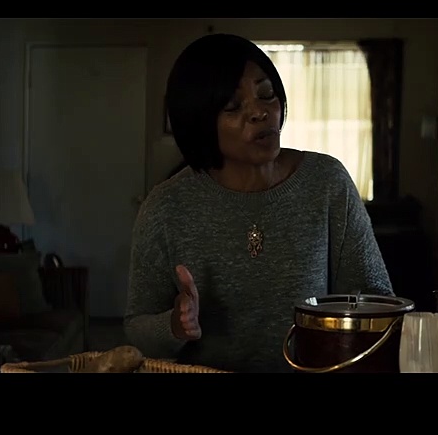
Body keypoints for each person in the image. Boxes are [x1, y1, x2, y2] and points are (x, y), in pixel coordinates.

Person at [123, 33, 395, 373]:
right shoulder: (166, 206)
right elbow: (137, 328)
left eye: (267, 94)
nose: (260, 112)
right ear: (199, 120)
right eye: (233, 106)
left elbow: (376, 302)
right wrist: (175, 326)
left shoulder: (327, 182)